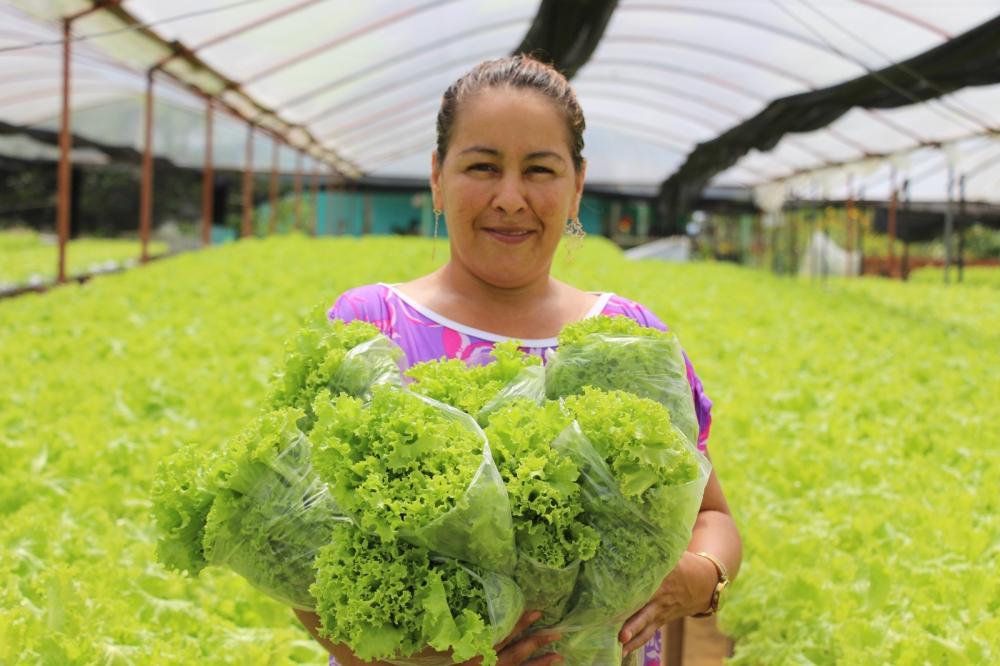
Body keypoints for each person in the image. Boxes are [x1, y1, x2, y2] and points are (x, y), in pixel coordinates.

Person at [295, 54, 742, 666]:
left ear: (577, 184)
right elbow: (305, 554)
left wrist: (700, 578)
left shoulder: (625, 336)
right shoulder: (371, 328)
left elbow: (711, 513)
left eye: (540, 170)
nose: (510, 198)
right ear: (437, 177)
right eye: (482, 166)